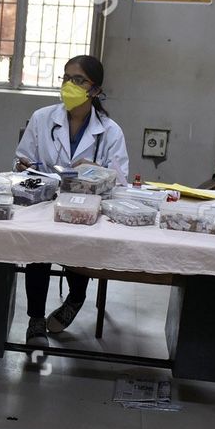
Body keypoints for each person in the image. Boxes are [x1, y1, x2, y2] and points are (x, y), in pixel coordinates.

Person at [14, 54, 129, 348]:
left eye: (78, 80)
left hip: (86, 208)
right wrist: (23, 165)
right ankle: (35, 320)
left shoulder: (110, 132)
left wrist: (93, 172)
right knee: (38, 247)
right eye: (66, 78)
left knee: (80, 247)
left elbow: (120, 181)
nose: (69, 85)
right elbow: (21, 158)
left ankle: (76, 298)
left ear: (94, 89)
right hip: (45, 203)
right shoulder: (42, 118)